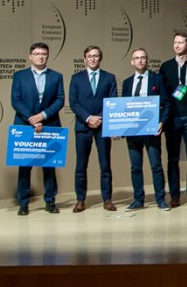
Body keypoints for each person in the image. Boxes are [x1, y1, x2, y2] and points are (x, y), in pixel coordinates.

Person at [11, 42, 65, 215]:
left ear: (47, 56)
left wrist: (43, 115)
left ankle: (50, 201)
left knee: (49, 166)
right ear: (30, 56)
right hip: (25, 125)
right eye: (37, 54)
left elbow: (60, 100)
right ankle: (23, 203)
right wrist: (32, 119)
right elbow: (16, 100)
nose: (41, 57)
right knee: (24, 166)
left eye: (44, 54)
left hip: (49, 125)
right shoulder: (19, 76)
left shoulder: (56, 76)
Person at [69, 45, 118, 212]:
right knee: (81, 166)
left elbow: (112, 101)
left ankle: (107, 199)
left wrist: (99, 118)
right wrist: (89, 118)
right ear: (84, 59)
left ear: (100, 58)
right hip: (83, 127)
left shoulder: (109, 78)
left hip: (103, 127)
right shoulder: (76, 78)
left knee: (105, 165)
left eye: (96, 56)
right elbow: (73, 102)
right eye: (89, 56)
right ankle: (80, 200)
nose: (92, 59)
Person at [121, 48, 170, 211]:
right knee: (135, 167)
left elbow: (166, 104)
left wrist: (162, 122)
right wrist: (119, 127)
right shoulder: (127, 82)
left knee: (156, 166)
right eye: (137, 58)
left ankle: (160, 199)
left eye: (143, 57)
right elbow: (124, 107)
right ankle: (138, 200)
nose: (140, 60)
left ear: (147, 60)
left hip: (152, 129)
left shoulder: (157, 79)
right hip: (133, 132)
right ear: (132, 62)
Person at [160, 31, 187, 208]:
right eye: (175, 42)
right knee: (173, 158)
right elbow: (162, 94)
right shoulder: (165, 66)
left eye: (180, 42)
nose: (176, 45)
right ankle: (174, 195)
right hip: (172, 118)